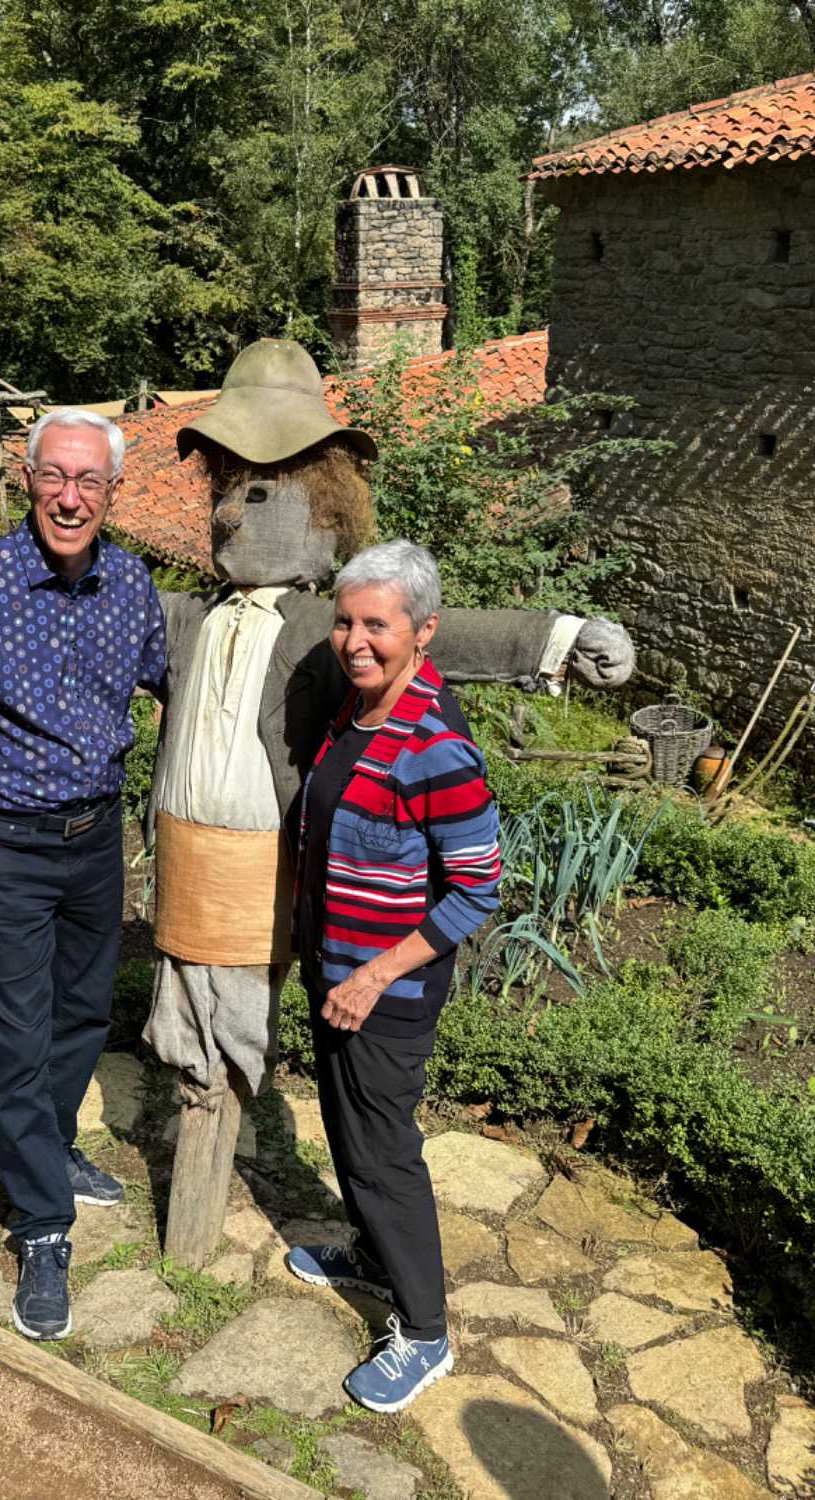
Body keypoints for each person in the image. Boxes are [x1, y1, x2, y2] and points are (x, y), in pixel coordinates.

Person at [0, 407, 167, 1342]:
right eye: (54, 476)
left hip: (94, 841)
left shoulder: (131, 584)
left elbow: (173, 686)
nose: (69, 497)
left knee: (83, 1014)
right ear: (26, 479)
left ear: (113, 492)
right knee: (20, 1038)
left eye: (88, 481)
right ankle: (43, 1226)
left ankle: (51, 1148)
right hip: (5, 844)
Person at [283, 539, 501, 1413]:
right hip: (335, 974)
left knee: (383, 1153)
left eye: (377, 624)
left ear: (424, 630)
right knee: (348, 1133)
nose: (354, 640)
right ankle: (375, 1258)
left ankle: (425, 1331)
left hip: (384, 990)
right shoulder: (356, 713)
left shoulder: (435, 744)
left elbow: (477, 888)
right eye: (344, 622)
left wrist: (373, 976)